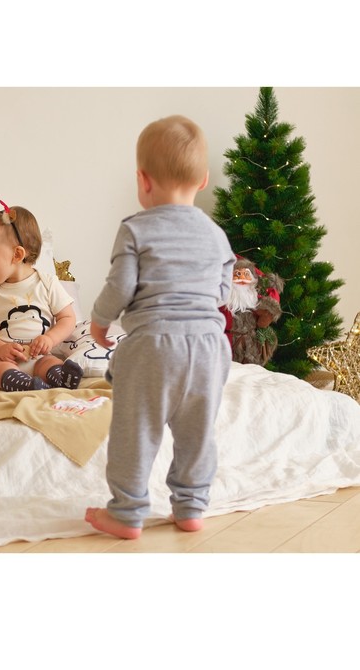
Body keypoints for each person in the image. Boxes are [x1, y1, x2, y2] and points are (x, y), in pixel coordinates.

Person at [84, 116, 235, 539]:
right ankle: (190, 507)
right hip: (209, 348)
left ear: (143, 180)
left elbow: (120, 287)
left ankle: (127, 512)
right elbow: (222, 292)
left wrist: (99, 320)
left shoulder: (135, 228)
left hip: (154, 347)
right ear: (203, 180)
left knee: (136, 431)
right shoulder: (216, 235)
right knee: (198, 433)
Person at [0, 202, 83, 391]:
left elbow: (68, 318)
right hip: (4, 360)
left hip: (39, 357)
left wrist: (50, 339)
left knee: (51, 362)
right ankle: (27, 385)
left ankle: (60, 378)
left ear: (17, 254)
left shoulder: (47, 283)